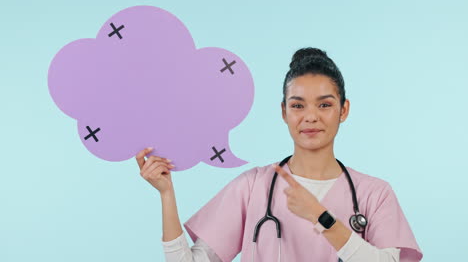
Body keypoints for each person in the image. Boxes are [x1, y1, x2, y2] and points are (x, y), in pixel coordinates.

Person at [135, 48, 423, 262]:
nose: (310, 117)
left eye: (324, 105)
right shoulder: (253, 187)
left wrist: (321, 217)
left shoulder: (374, 194)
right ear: (284, 112)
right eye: (298, 106)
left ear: (343, 110)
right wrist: (166, 193)